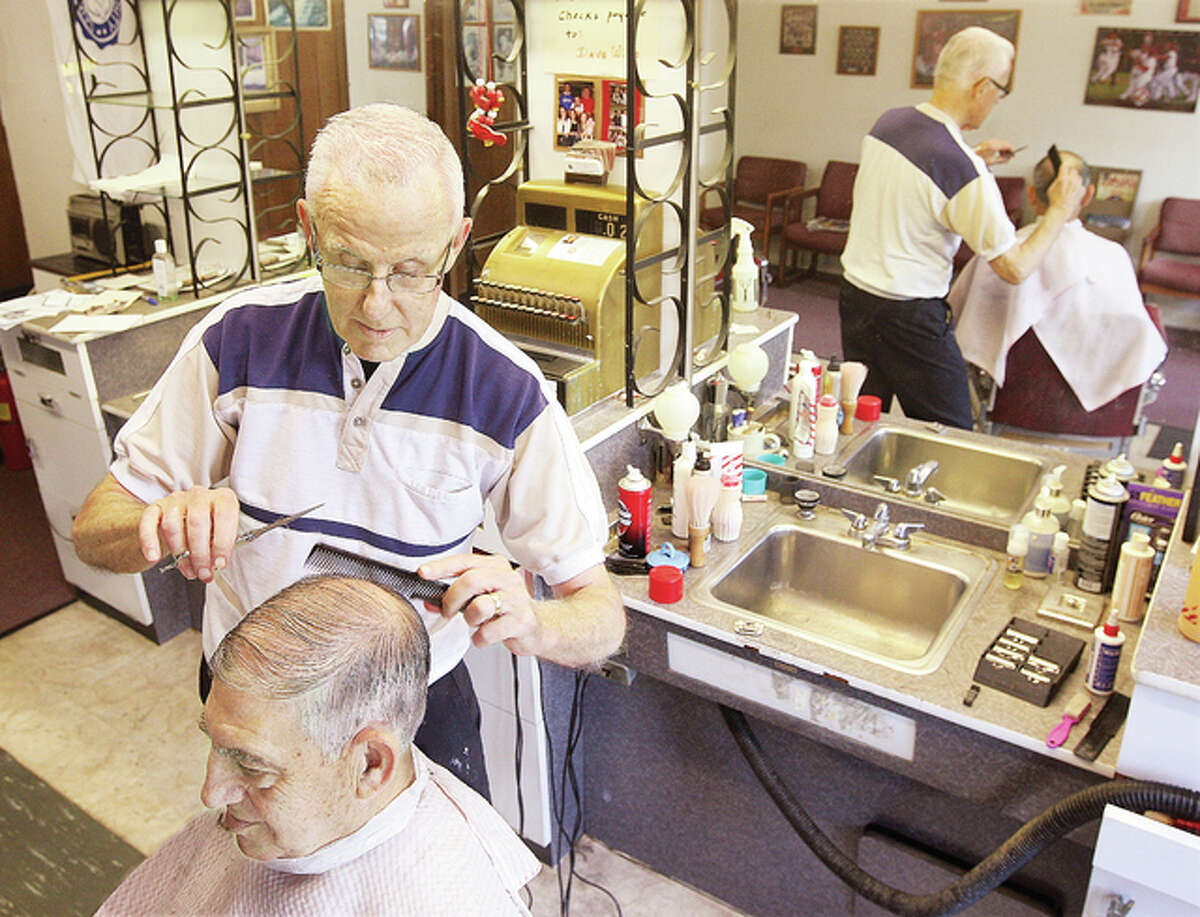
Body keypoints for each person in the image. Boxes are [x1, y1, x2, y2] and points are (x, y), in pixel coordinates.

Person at [71, 103, 625, 799]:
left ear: (455, 246)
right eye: (348, 262)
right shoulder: (237, 342)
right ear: (307, 229)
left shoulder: (504, 391)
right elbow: (94, 530)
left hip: (412, 715)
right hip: (252, 703)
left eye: (411, 270)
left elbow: (601, 614)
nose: (376, 304)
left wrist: (536, 620)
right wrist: (157, 524)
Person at [96, 576, 541, 915]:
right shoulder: (288, 814)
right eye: (215, 744)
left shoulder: (444, 897)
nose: (210, 794)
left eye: (253, 768)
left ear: (370, 764)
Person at [839, 26, 1086, 429]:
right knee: (952, 433)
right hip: (908, 315)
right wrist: (1059, 209)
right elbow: (1014, 268)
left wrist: (975, 158)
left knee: (865, 414)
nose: (996, 102)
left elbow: (920, 187)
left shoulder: (891, 123)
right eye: (1000, 91)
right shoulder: (961, 170)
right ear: (983, 87)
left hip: (856, 298)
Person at [948, 150, 1166, 413]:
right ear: (1088, 194)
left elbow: (956, 320)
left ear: (1030, 195)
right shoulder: (1114, 256)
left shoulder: (999, 257)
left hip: (1010, 406)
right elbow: (1135, 336)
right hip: (1099, 422)